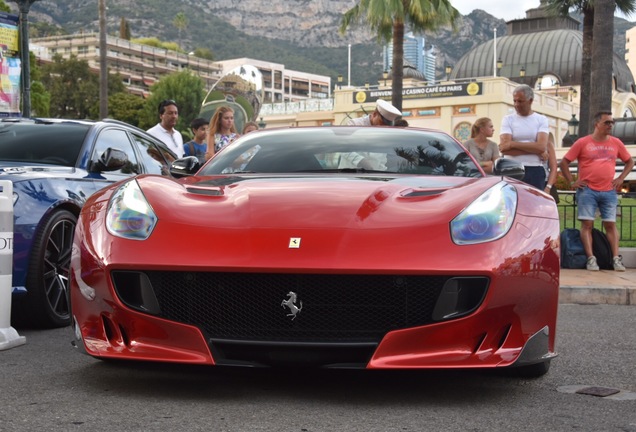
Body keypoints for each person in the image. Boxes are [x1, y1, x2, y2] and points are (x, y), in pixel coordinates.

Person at [560, 111, 634, 272]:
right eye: (607, 122)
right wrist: (572, 182)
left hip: (609, 190)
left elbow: (630, 161)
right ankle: (591, 259)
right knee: (587, 225)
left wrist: (621, 178)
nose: (610, 125)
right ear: (597, 124)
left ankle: (615, 259)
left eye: (612, 123)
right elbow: (564, 162)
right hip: (587, 190)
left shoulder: (616, 143)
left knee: (610, 224)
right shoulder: (583, 142)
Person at [499, 84, 549, 189]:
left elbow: (541, 147)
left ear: (530, 101)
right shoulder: (508, 119)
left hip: (534, 169)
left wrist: (512, 144)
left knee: (534, 204)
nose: (516, 104)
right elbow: (504, 149)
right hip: (511, 168)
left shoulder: (541, 119)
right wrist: (535, 150)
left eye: (520, 101)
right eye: (514, 101)